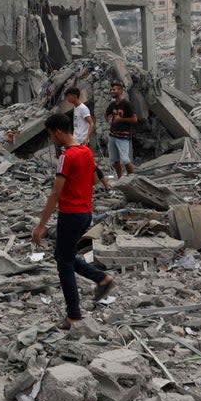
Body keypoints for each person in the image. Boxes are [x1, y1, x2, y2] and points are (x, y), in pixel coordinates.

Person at [31, 111, 115, 329]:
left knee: (64, 263)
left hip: (70, 214)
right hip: (85, 214)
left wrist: (40, 226)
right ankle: (101, 279)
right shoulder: (85, 151)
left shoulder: (66, 157)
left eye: (51, 135)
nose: (51, 140)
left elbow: (55, 193)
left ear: (58, 132)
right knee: (64, 255)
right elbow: (95, 181)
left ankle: (73, 315)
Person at [104, 81, 138, 177]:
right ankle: (120, 179)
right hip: (112, 135)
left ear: (120, 90)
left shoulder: (127, 104)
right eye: (111, 89)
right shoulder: (113, 104)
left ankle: (132, 179)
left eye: (114, 89)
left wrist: (121, 119)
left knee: (125, 159)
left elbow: (134, 119)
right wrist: (109, 120)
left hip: (123, 136)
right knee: (115, 160)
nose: (111, 91)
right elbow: (106, 114)